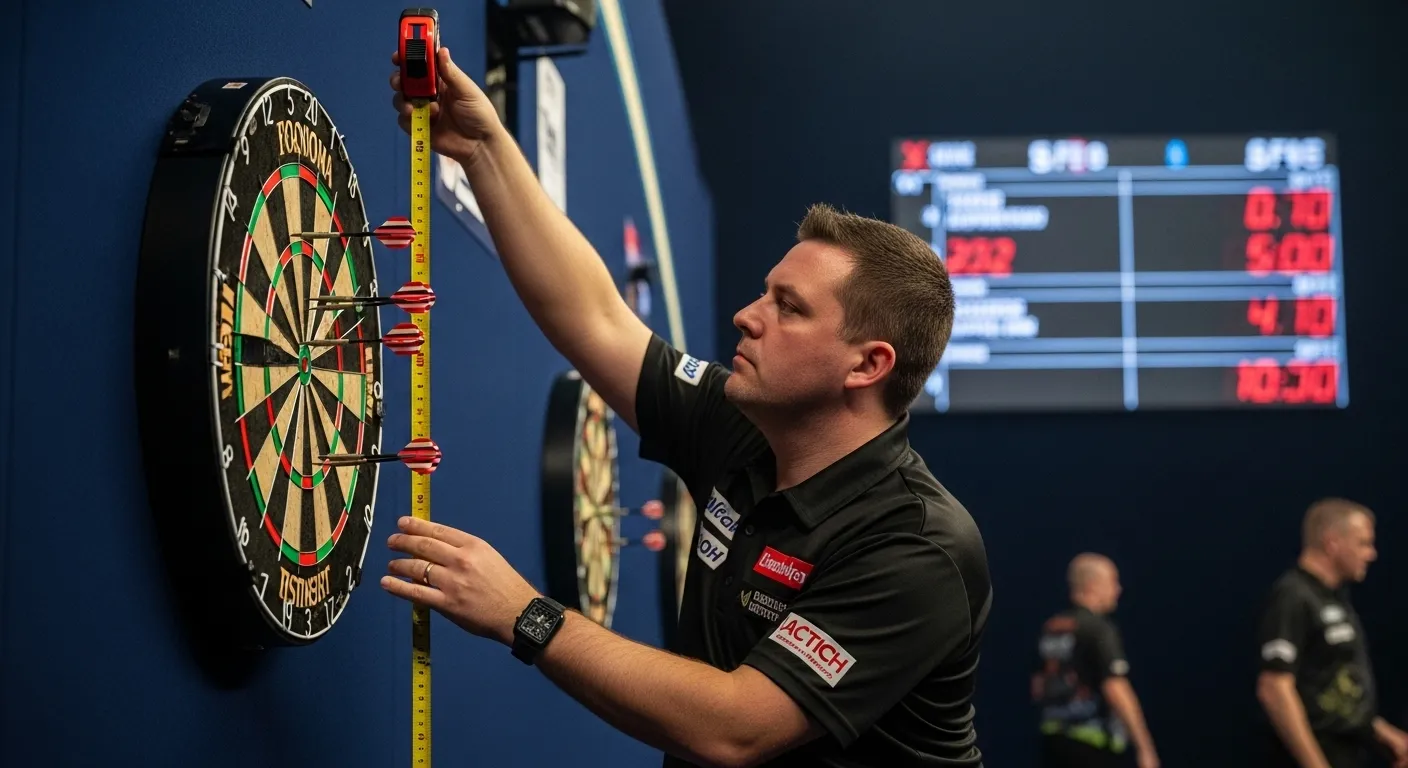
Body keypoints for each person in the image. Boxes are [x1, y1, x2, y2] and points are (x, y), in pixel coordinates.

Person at [376, 44, 991, 768]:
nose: (746, 316)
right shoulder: (748, 426)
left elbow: (737, 727)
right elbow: (597, 318)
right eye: (765, 293)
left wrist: (524, 614)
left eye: (787, 309)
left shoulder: (919, 549)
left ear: (868, 364)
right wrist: (483, 146)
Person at [1256, 498, 1408, 768]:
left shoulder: (1333, 598)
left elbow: (1328, 687)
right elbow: (1274, 688)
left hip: (1349, 754)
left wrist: (1379, 730)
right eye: (1363, 543)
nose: (1371, 554)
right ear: (1332, 543)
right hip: (1314, 755)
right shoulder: (1293, 596)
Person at [1031, 553, 1159, 768]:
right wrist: (1144, 747)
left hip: (1052, 741)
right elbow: (1115, 686)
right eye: (1113, 582)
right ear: (1093, 585)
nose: (1118, 590)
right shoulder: (1098, 629)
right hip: (1092, 744)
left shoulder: (1051, 629)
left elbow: (1036, 687)